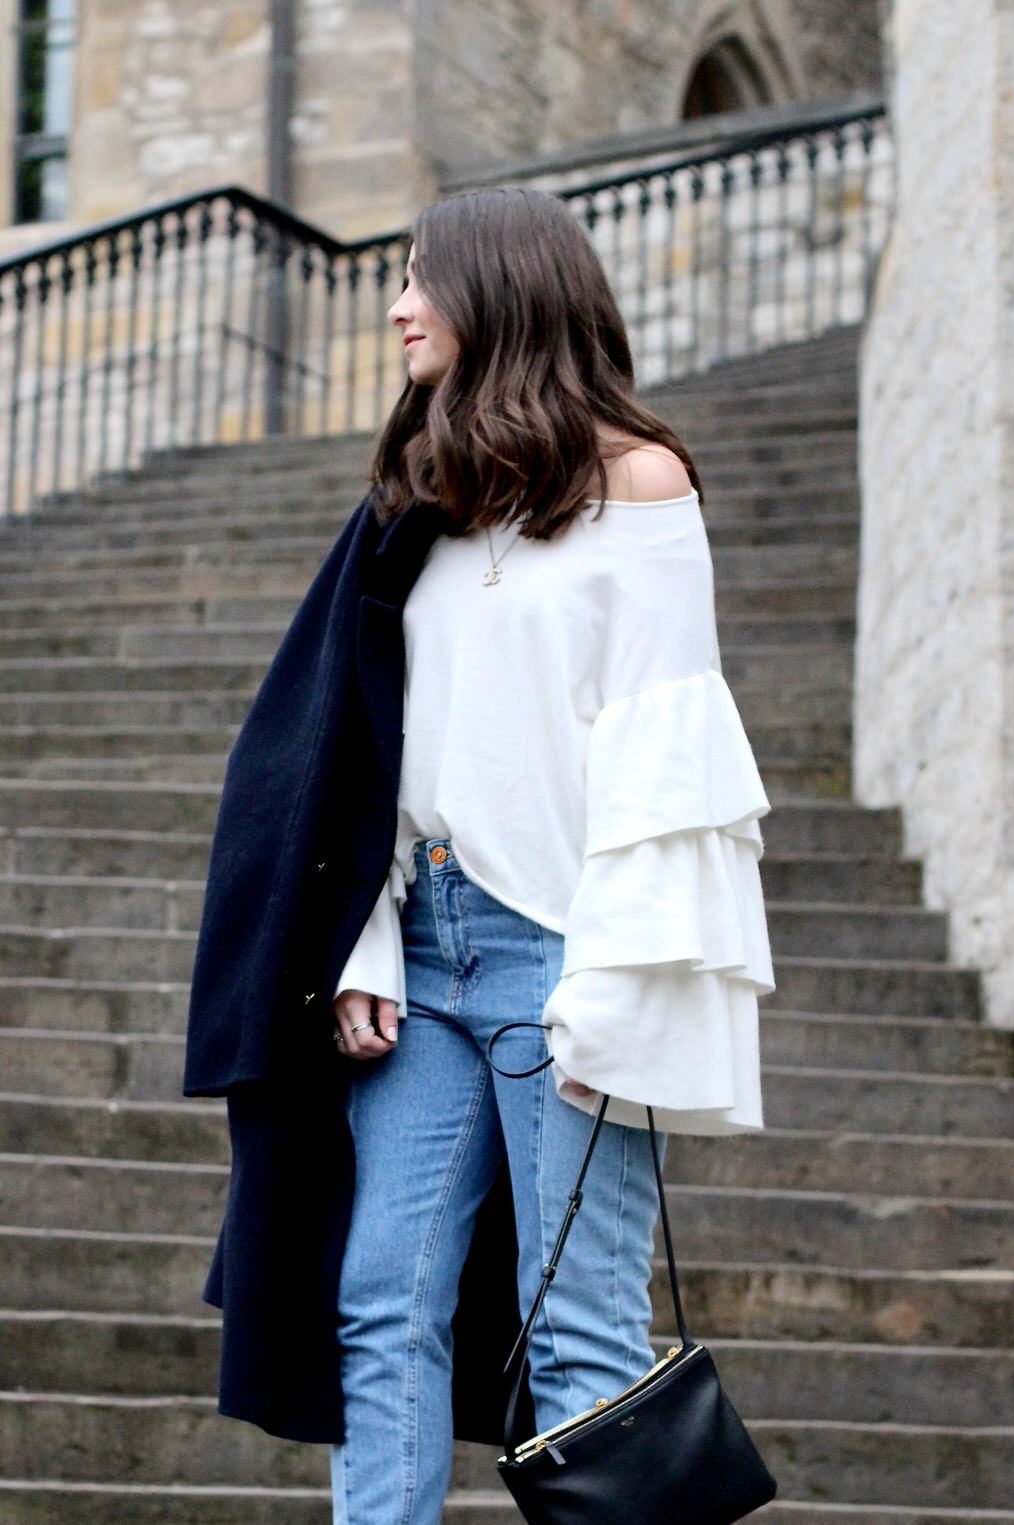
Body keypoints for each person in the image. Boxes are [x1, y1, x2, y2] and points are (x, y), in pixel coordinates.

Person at [186, 184, 775, 1525]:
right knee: (377, 1299)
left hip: (574, 944)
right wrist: (368, 936)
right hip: (429, 954)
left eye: (421, 278)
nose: (398, 304)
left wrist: (617, 985)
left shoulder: (642, 487)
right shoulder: (424, 500)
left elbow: (665, 758)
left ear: (503, 288)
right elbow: (366, 753)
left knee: (576, 1328)